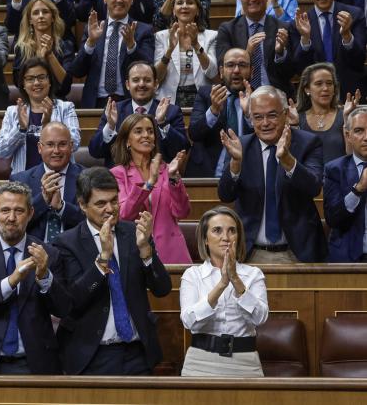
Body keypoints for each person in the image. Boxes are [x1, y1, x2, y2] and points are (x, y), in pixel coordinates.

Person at [53, 167, 172, 375]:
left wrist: (146, 251)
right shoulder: (66, 243)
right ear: (82, 205)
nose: (110, 209)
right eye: (100, 203)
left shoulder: (134, 234)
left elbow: (162, 288)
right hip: (91, 355)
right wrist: (103, 259)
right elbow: (72, 300)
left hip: (137, 353)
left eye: (114, 200)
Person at [0, 181, 67, 375]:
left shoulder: (48, 253)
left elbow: (63, 308)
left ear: (31, 214)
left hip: (35, 361)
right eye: (5, 210)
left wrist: (44, 277)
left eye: (19, 211)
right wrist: (11, 281)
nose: (11, 218)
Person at [218, 86, 326, 263]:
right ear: (251, 119)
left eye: (272, 115)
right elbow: (225, 194)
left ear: (285, 114)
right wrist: (235, 164)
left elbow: (313, 187)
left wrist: (287, 159)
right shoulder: (241, 145)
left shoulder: (308, 143)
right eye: (258, 117)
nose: (265, 123)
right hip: (250, 253)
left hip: (297, 253)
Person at [179, 205, 268, 376]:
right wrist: (221, 285)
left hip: (245, 361)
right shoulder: (193, 275)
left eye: (232, 231)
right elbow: (189, 321)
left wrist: (235, 279)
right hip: (200, 360)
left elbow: (260, 318)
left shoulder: (253, 274)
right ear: (205, 239)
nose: (225, 237)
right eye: (217, 231)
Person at [111, 113, 191, 264]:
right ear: (127, 140)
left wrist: (173, 178)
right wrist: (149, 183)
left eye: (150, 131)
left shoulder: (166, 169)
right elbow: (124, 214)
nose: (146, 135)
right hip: (135, 253)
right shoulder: (117, 174)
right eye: (138, 131)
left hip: (172, 252)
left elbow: (182, 211)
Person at [71, 0, 156, 108]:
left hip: (129, 103)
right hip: (95, 103)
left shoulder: (143, 30)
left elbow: (149, 68)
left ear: (132, 0)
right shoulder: (94, 28)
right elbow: (77, 71)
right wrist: (91, 42)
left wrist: (132, 47)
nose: (120, 0)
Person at [0, 58, 80, 175]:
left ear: (49, 81)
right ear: (23, 84)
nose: (36, 83)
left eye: (41, 77)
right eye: (30, 79)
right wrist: (20, 130)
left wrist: (48, 125)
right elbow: (1, 151)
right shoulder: (13, 112)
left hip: (59, 179)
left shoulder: (65, 108)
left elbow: (74, 144)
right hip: (23, 182)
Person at [215, 0, 296, 99]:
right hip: (240, 96)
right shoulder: (227, 29)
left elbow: (291, 72)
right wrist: (247, 53)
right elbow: (224, 70)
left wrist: (280, 53)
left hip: (276, 96)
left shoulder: (283, 27)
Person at [294, 0, 366, 99]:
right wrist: (305, 39)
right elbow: (299, 68)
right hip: (315, 98)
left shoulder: (355, 15)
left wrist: (347, 36)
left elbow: (359, 60)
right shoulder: (302, 22)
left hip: (350, 94)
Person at [11, 121, 86, 243]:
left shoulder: (88, 177)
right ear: (40, 148)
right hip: (33, 251)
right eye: (50, 145)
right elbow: (15, 222)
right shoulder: (20, 180)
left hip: (75, 252)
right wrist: (43, 200)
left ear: (71, 146)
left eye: (62, 144)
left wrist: (62, 207)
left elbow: (94, 220)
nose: (56, 151)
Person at [187, 48, 255, 178]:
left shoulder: (260, 98)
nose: (236, 70)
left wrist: (249, 116)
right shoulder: (206, 94)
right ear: (221, 71)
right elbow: (194, 133)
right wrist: (213, 111)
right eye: (230, 65)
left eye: (242, 65)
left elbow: (266, 139)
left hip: (248, 175)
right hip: (208, 174)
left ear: (252, 72)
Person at [154, 0, 218, 108]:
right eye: (179, 3)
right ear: (173, 11)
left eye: (189, 2)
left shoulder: (211, 36)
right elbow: (156, 77)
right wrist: (169, 50)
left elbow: (213, 73)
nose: (184, 6)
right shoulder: (161, 37)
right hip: (168, 99)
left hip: (202, 97)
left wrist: (196, 45)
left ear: (197, 11)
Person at [288, 63, 353, 165]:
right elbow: (293, 158)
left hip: (338, 178)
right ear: (307, 89)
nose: (325, 88)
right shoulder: (297, 118)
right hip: (308, 179)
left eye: (329, 83)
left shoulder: (344, 116)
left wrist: (347, 119)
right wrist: (294, 126)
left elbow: (352, 156)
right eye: (318, 84)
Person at [324, 107, 367, 262]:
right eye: (359, 131)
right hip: (347, 259)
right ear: (348, 136)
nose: (366, 137)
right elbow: (333, 219)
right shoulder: (335, 169)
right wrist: (358, 189)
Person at [11, 0, 75, 95]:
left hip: (57, 101)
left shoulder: (65, 45)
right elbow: (18, 82)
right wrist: (39, 59)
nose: (41, 16)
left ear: (53, 18)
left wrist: (50, 55)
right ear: (30, 20)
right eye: (36, 13)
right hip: (30, 102)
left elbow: (66, 85)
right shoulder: (22, 47)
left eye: (45, 12)